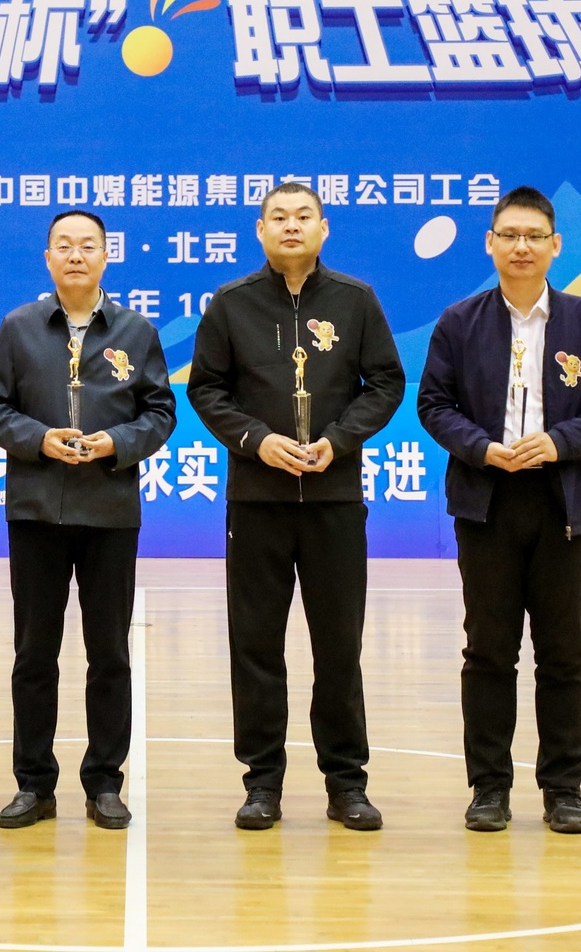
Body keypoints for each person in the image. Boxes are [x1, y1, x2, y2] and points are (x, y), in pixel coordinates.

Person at [416, 185, 581, 835]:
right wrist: (479, 447)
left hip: (565, 505)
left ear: (555, 245)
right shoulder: (459, 322)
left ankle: (564, 790)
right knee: (488, 651)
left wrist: (561, 441)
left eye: (533, 236)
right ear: (490, 243)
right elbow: (434, 404)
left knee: (564, 651)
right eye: (509, 235)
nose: (521, 246)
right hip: (486, 503)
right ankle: (489, 787)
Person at [188, 182, 405, 832]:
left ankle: (346, 783)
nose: (291, 226)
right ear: (260, 230)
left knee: (338, 646)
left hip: (334, 499)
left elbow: (386, 382)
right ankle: (263, 782)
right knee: (256, 645)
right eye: (278, 217)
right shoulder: (231, 302)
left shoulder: (356, 299)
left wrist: (339, 440)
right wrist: (257, 440)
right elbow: (206, 388)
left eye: (303, 216)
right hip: (257, 500)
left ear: (323, 227)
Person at [0, 210, 176, 830]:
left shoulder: (136, 330)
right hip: (35, 509)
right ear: (47, 258)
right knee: (34, 654)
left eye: (87, 246)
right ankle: (34, 785)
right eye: (63, 245)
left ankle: (104, 783)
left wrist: (116, 443)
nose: (75, 255)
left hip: (109, 511)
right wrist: (39, 439)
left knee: (109, 654)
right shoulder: (19, 327)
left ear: (105, 257)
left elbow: (160, 412)